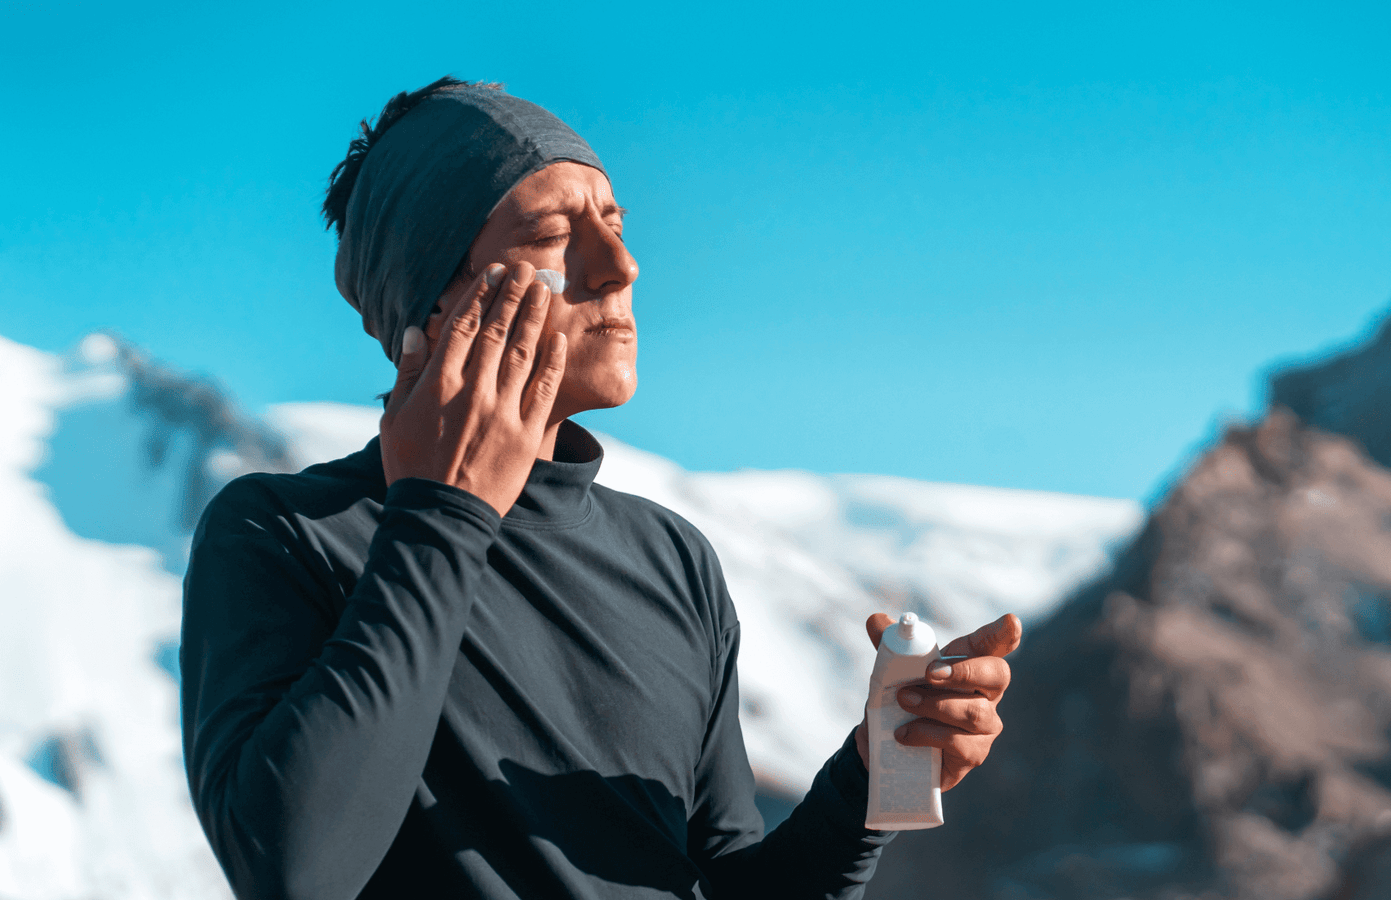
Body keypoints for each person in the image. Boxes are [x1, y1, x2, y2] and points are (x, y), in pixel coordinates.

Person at [179, 76, 1022, 900]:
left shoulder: (670, 558)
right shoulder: (284, 534)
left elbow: (728, 881)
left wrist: (867, 783)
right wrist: (442, 517)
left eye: (613, 223)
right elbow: (292, 869)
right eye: (553, 234)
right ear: (438, 302)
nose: (620, 265)